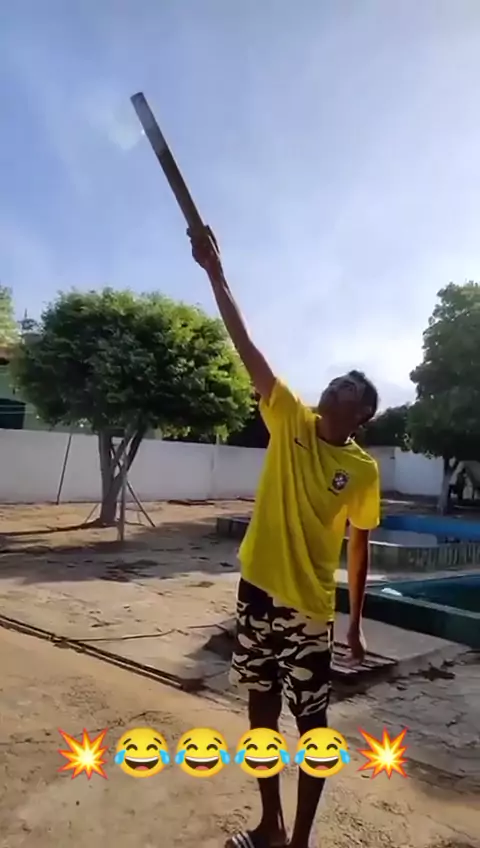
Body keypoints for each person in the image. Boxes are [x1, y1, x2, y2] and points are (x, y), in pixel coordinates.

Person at [189, 227, 380, 848]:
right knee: (260, 710)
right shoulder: (289, 415)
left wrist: (355, 622)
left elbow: (359, 545)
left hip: (307, 609)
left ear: (361, 416)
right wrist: (215, 272)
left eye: (347, 392)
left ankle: (300, 840)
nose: (334, 390)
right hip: (256, 594)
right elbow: (245, 345)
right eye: (334, 383)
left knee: (313, 725)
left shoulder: (362, 471)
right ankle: (270, 825)